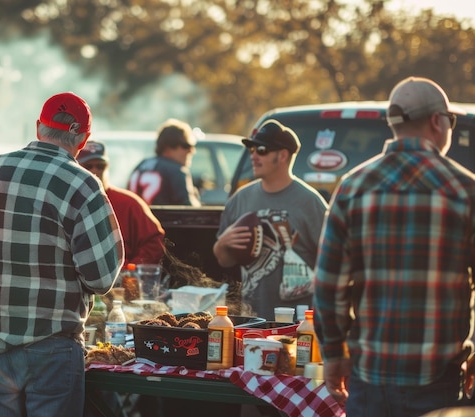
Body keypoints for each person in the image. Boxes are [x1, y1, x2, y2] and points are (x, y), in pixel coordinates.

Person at [0, 91, 124, 417]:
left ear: (38, 127)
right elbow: (101, 278)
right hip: (54, 347)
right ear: (83, 139)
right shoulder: (83, 185)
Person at [313, 76, 475, 417]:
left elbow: (328, 287)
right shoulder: (464, 190)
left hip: (368, 379)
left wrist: (333, 355)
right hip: (440, 382)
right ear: (437, 120)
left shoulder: (352, 188)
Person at [213, 119, 327, 321]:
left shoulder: (311, 203)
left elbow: (330, 263)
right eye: (252, 150)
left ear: (282, 155)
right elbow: (225, 260)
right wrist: (222, 245)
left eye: (261, 150)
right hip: (252, 320)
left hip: (297, 325)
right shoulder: (239, 199)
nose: (254, 156)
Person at [78, 139, 165, 266]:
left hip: (121, 282)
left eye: (101, 166)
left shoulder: (129, 203)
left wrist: (131, 269)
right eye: (88, 166)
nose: (95, 171)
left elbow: (153, 241)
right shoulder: (66, 202)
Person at [128, 118, 201, 206]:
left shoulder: (141, 165)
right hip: (161, 220)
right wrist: (194, 199)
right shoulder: (177, 171)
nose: (191, 151)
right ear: (169, 146)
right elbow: (191, 212)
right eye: (186, 145)